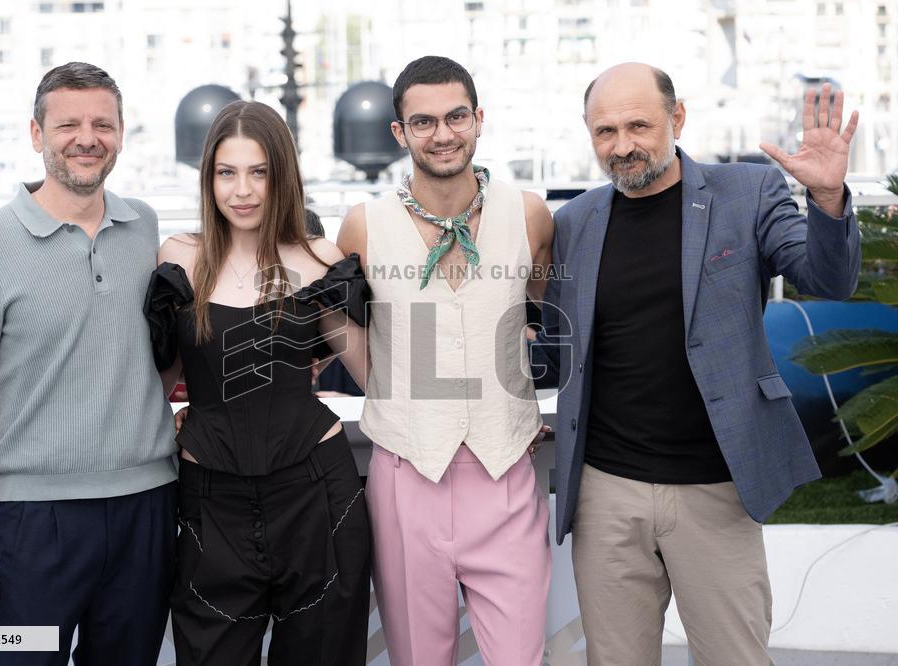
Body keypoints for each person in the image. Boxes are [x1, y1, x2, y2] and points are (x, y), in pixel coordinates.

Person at [537, 62, 861, 665]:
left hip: (717, 488)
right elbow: (556, 350)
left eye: (638, 125)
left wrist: (826, 199)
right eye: (605, 131)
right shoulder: (574, 222)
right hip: (607, 493)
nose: (622, 146)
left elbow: (828, 279)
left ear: (677, 117)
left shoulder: (748, 192)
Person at [0, 62, 178, 664]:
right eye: (68, 124)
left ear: (120, 134)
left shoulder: (144, 227)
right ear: (36, 134)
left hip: (148, 506)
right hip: (37, 521)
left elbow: (153, 351)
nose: (87, 138)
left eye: (103, 124)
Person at [337, 55, 555, 665]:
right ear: (399, 133)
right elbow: (343, 324)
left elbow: (534, 313)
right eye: (423, 121)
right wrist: (390, 393)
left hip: (505, 473)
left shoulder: (530, 215)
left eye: (456, 116)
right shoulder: (362, 227)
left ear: (479, 119)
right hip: (406, 478)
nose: (443, 134)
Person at [146, 100, 372, 665]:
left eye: (259, 172)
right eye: (227, 172)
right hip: (210, 502)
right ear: (208, 178)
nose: (242, 190)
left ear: (283, 176)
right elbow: (155, 382)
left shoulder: (320, 259)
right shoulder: (179, 259)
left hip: (317, 496)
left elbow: (376, 375)